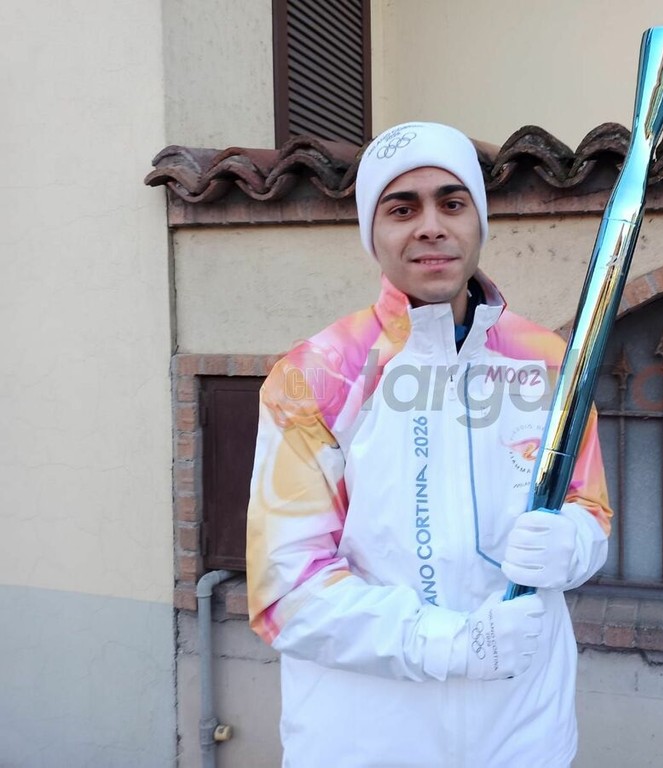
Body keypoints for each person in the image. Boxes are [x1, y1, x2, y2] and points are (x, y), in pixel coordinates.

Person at [246, 121, 612, 767]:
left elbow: (589, 507)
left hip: (522, 728)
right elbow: (287, 592)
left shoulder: (547, 360)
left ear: (478, 219)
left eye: (452, 202)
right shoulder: (319, 375)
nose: (431, 227)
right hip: (365, 738)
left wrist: (575, 543)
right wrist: (449, 644)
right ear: (372, 232)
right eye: (401, 208)